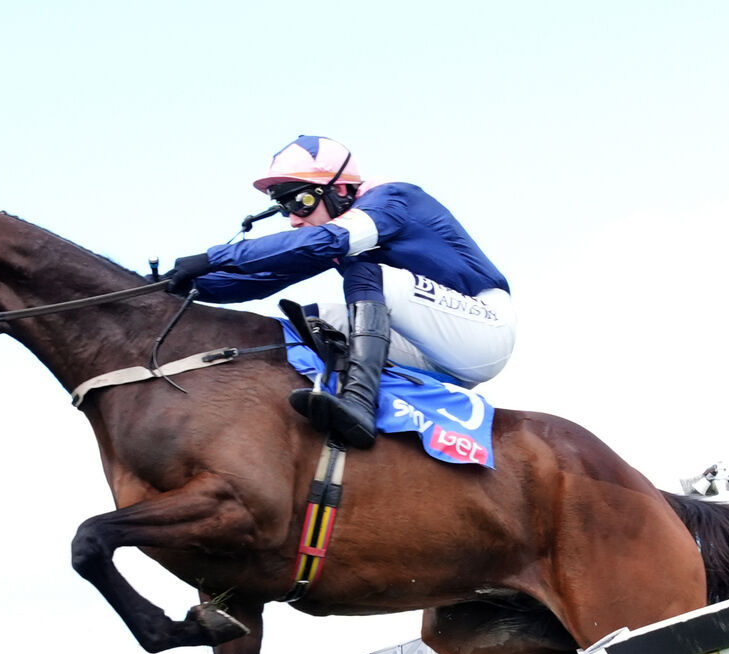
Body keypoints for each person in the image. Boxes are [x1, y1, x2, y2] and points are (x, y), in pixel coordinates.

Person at [167, 135, 516, 449]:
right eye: (286, 208)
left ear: (341, 190)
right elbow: (262, 280)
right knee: (311, 319)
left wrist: (214, 256)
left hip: (483, 331)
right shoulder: (339, 231)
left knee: (367, 274)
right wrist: (177, 289)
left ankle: (359, 404)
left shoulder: (392, 200)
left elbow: (326, 240)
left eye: (301, 201)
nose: (293, 219)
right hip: (424, 345)